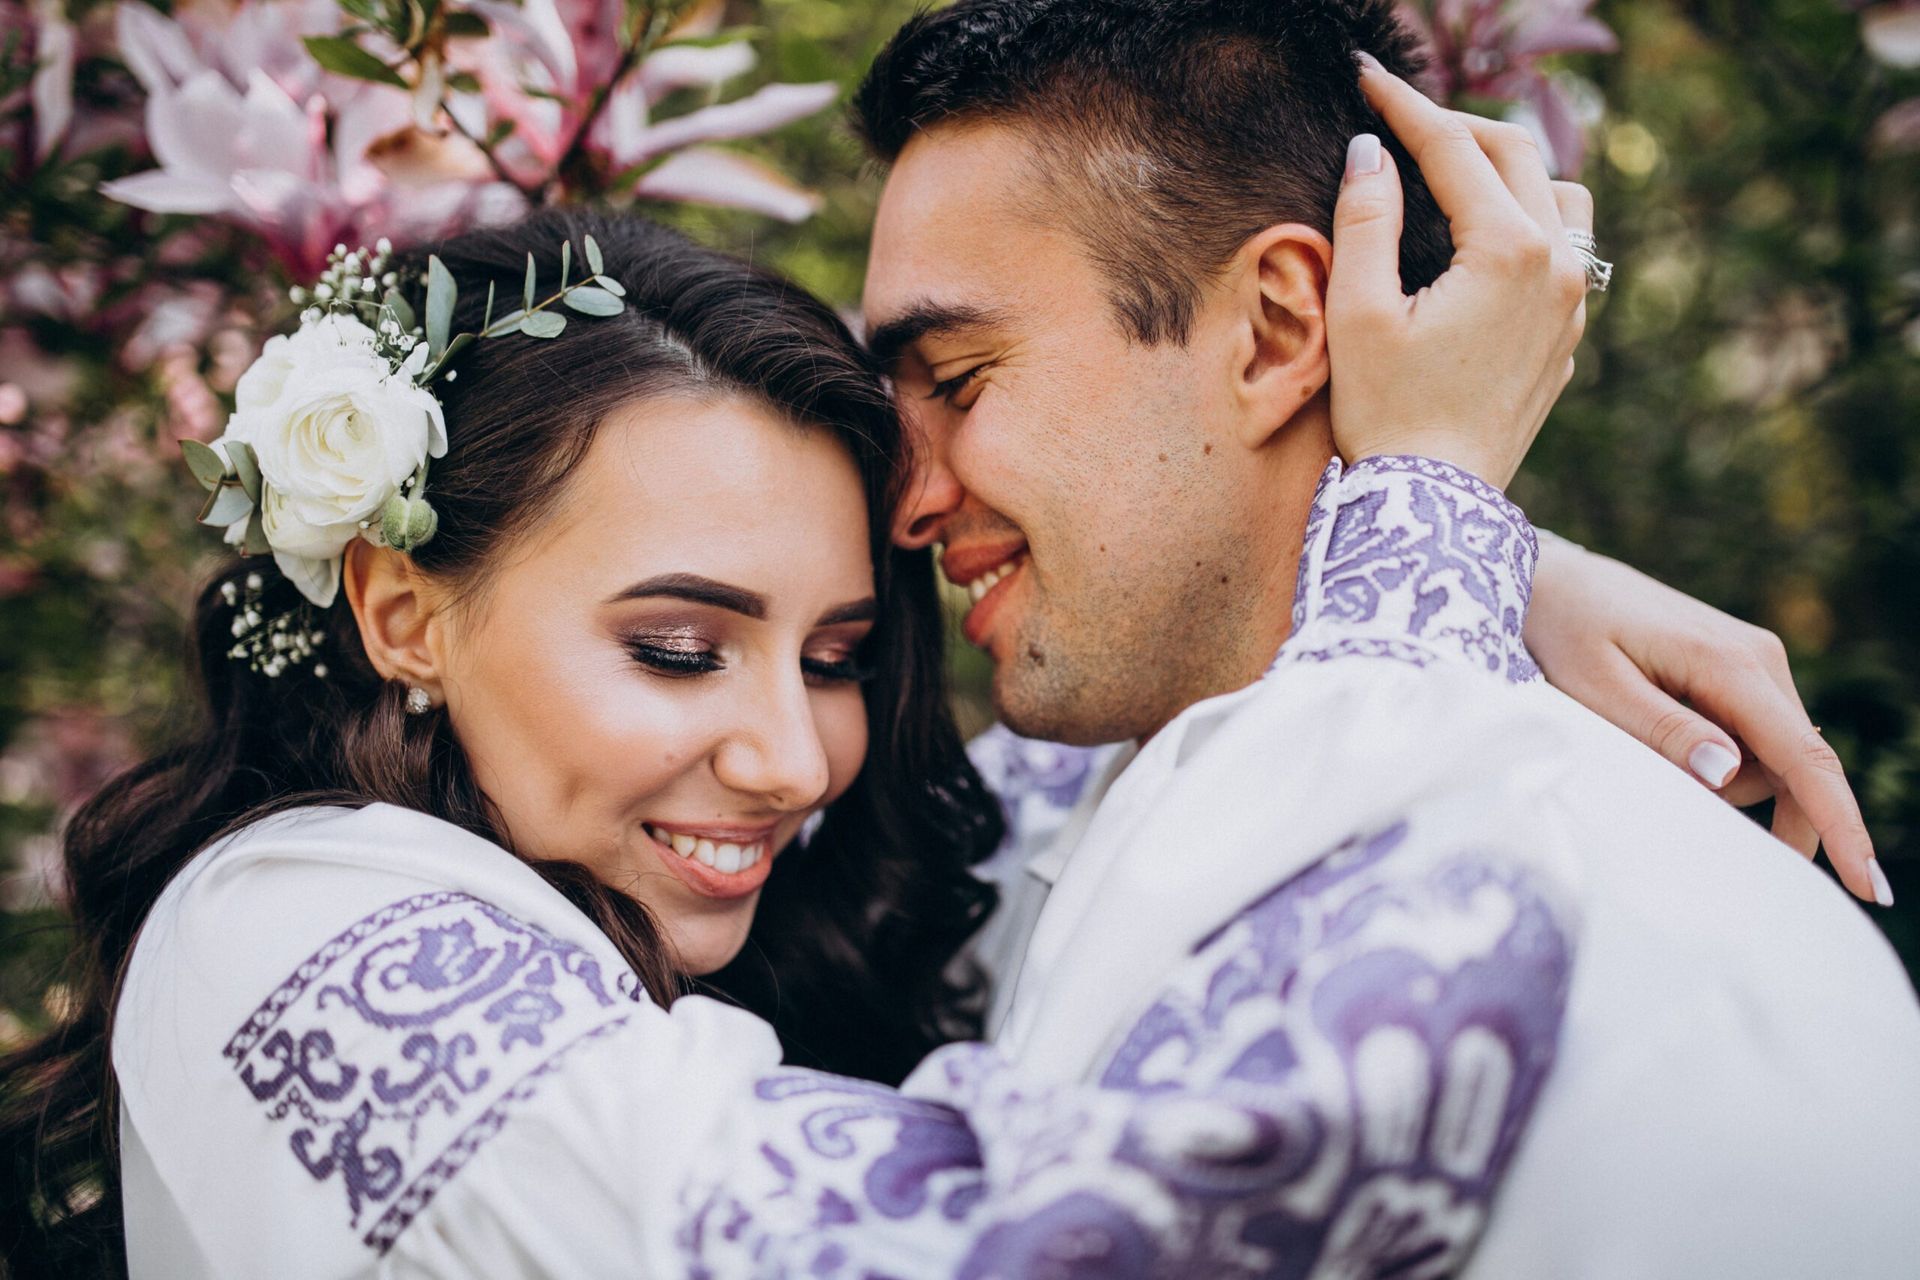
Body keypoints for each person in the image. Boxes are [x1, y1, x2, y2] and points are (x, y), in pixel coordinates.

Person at [0, 205, 1578, 1278]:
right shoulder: (286, 924)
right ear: (405, 614)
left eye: (836, 657)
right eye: (679, 649)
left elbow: (1153, 740)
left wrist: (1497, 556)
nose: (795, 762)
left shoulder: (745, 915)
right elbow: (1011, 1239)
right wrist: (1425, 523)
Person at [854, 1, 1920, 1275]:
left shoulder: (1636, 941)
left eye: (962, 380)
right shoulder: (1083, 798)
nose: (905, 499)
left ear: (1282, 328)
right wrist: (1500, 552)